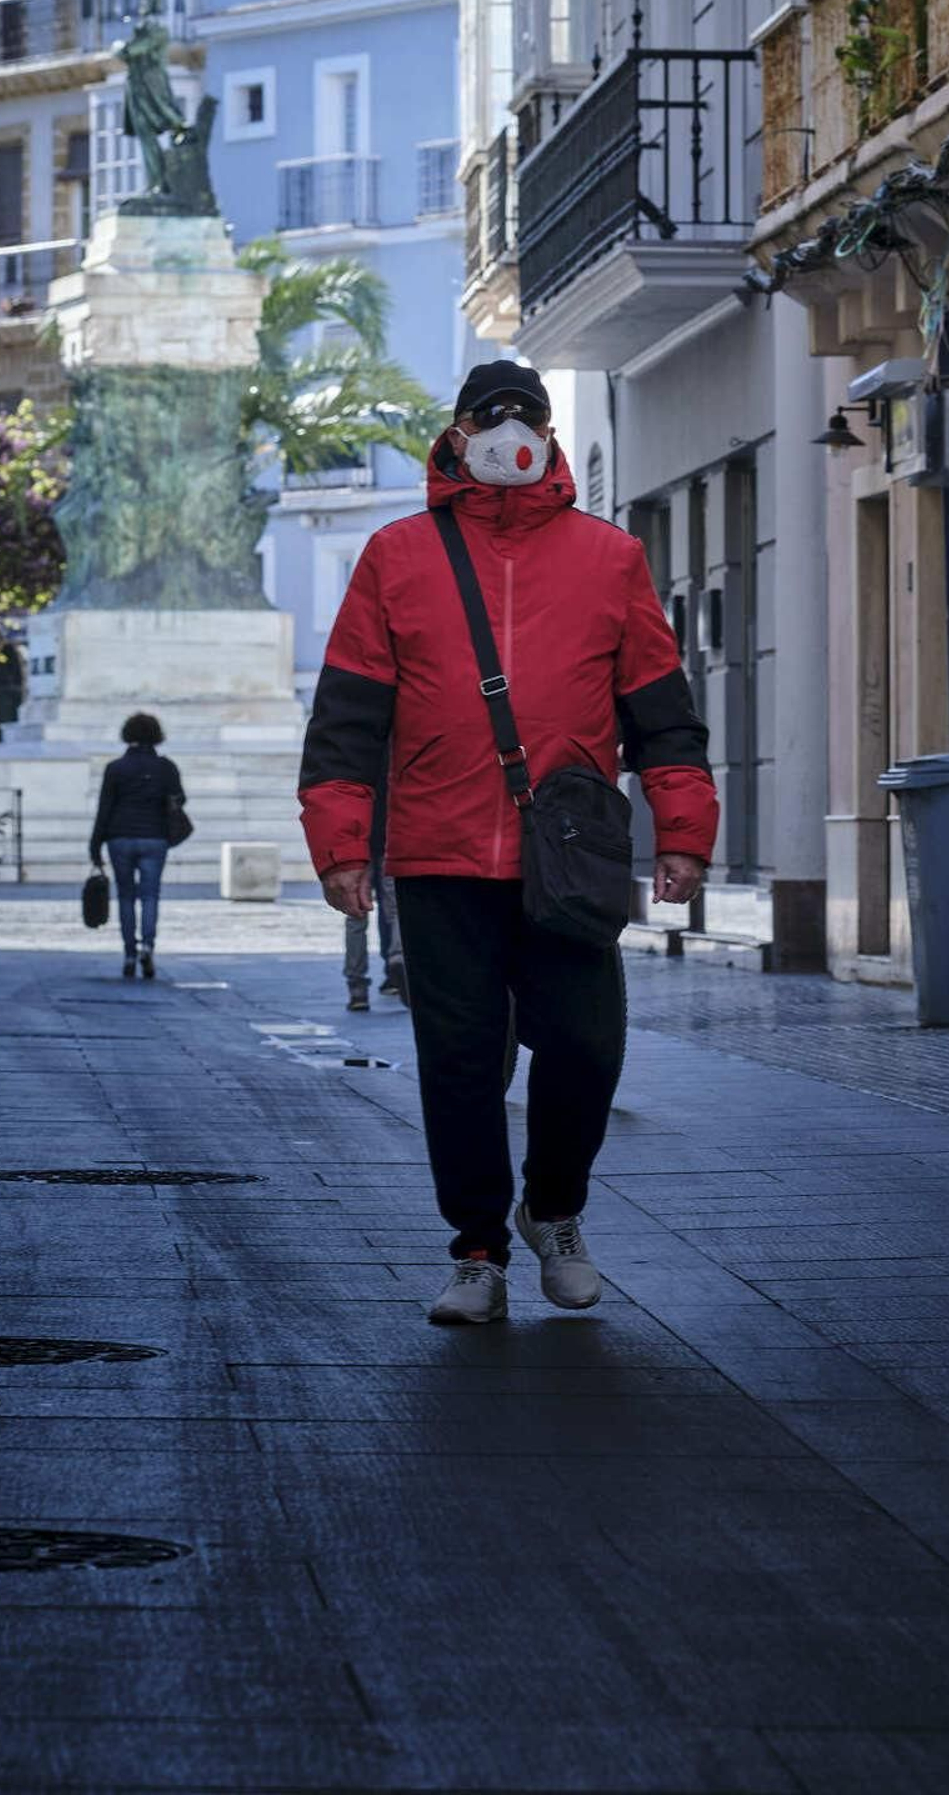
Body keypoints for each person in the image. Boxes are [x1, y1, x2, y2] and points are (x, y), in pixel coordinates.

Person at [300, 363, 716, 1326]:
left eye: (529, 414)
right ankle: (478, 1250)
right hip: (440, 854)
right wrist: (342, 844)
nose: (511, 431)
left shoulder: (611, 558)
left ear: (550, 432)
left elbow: (662, 713)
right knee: (459, 1057)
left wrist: (684, 830)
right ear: (457, 432)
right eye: (492, 416)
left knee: (586, 1046)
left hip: (566, 857)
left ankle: (553, 1209)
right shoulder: (397, 556)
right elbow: (348, 717)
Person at [89, 712, 185, 980]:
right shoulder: (166, 767)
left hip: (119, 837)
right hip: (155, 838)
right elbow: (180, 799)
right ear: (157, 735)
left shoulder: (116, 768)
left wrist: (95, 845)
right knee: (150, 896)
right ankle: (148, 947)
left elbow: (104, 809)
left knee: (126, 896)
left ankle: (129, 952)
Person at [343, 778, 406, 1011]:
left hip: (357, 842)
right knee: (396, 908)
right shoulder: (392, 747)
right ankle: (398, 959)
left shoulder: (356, 750)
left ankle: (357, 986)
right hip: (389, 838)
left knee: (355, 914)